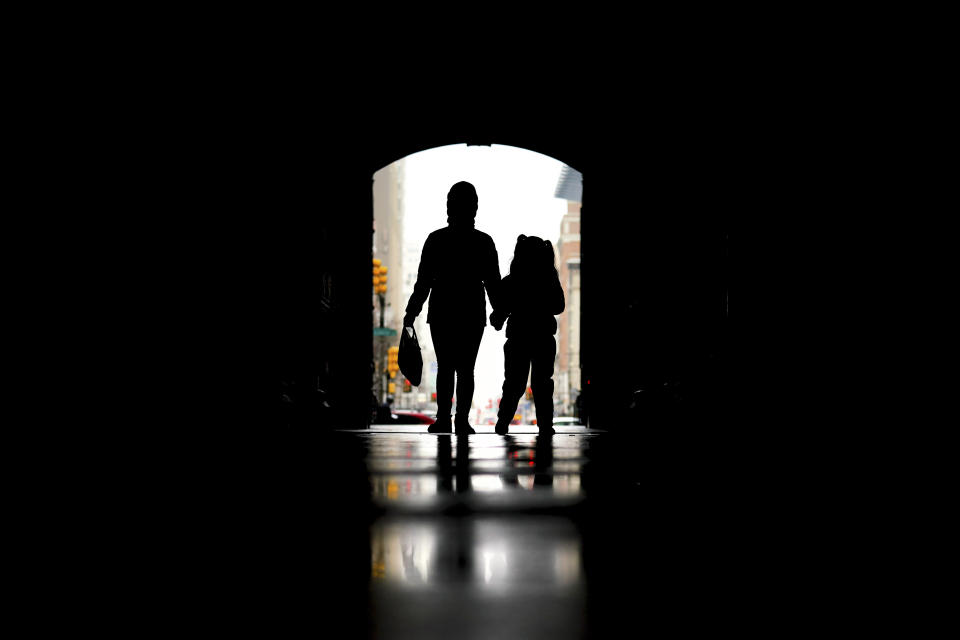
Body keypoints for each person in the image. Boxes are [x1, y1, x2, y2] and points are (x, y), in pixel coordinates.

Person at [404, 181, 502, 434]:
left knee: (446, 367)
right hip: (471, 311)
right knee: (466, 369)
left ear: (449, 206)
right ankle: (461, 420)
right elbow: (493, 283)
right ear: (475, 208)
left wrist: (412, 311)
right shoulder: (484, 242)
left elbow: (423, 282)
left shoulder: (436, 240)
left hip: (443, 310)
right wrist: (498, 312)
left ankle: (444, 419)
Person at [490, 235, 565, 435]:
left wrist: (498, 318)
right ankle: (545, 425)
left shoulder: (512, 280)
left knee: (514, 383)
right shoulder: (549, 279)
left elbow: (500, 311)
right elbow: (559, 306)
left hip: (517, 338)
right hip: (543, 338)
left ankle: (503, 422)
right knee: (542, 383)